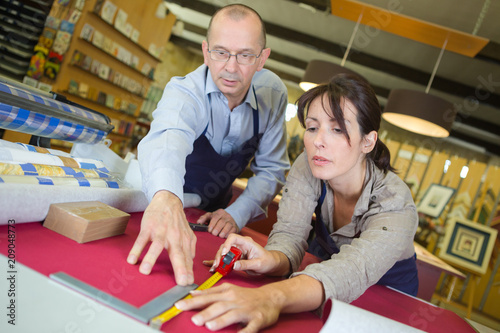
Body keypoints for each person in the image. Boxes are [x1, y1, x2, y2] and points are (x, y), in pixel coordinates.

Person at [174, 73, 419, 332]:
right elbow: (290, 235)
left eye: (337, 129)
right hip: (317, 281)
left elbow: (353, 271)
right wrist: (273, 258)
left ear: (368, 141)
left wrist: (270, 297)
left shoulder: (396, 203)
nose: (317, 141)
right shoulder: (310, 163)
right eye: (312, 127)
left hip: (386, 296)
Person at [127, 4, 290, 286]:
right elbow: (168, 140)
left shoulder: (273, 95)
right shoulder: (184, 92)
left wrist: (237, 213)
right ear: (206, 52)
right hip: (158, 203)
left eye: (245, 55)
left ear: (262, 59)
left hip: (215, 215)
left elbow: (272, 169)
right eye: (220, 52)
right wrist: (166, 197)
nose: (230, 66)